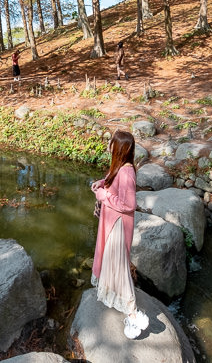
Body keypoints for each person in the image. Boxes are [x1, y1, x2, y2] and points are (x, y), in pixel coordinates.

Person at [90, 130, 148, 339]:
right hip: (112, 221)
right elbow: (112, 182)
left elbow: (129, 204)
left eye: (112, 143)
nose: (109, 145)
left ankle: (133, 315)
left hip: (118, 225)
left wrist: (104, 195)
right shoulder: (120, 168)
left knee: (120, 266)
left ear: (120, 148)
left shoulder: (127, 172)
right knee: (112, 262)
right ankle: (121, 301)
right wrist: (102, 183)